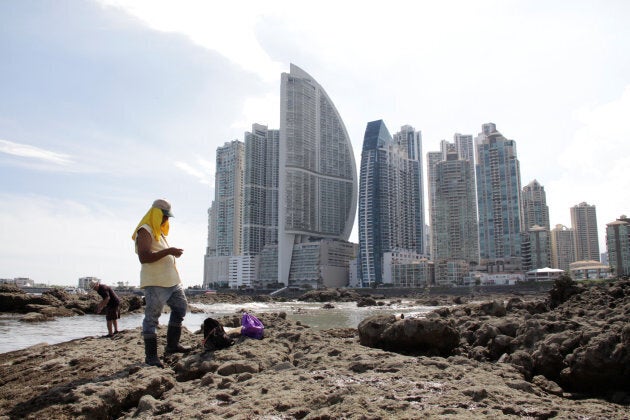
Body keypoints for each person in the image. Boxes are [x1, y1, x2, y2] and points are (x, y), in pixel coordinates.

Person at [132, 198, 191, 368]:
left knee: (180, 307)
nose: (166, 220)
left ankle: (172, 346)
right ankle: (151, 357)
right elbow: (144, 257)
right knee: (152, 319)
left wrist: (170, 252)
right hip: (156, 282)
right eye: (165, 216)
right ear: (157, 214)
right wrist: (169, 251)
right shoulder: (145, 230)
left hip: (171, 282)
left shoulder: (158, 232)